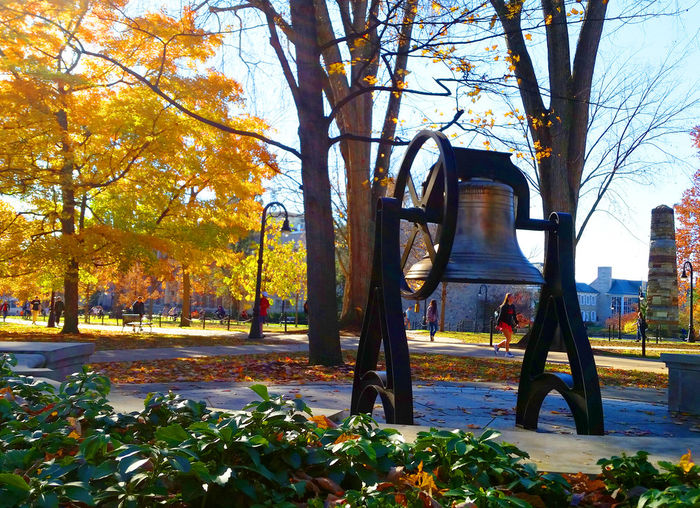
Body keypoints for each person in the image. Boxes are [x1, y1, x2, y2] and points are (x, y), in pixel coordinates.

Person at [494, 293, 518, 358]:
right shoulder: (504, 306)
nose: (513, 298)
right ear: (508, 298)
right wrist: (497, 324)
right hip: (503, 324)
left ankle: (497, 346)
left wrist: (517, 323)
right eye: (512, 297)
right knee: (508, 338)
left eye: (513, 297)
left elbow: (514, 316)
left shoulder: (512, 306)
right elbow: (500, 316)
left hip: (509, 324)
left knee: (509, 339)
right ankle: (507, 353)